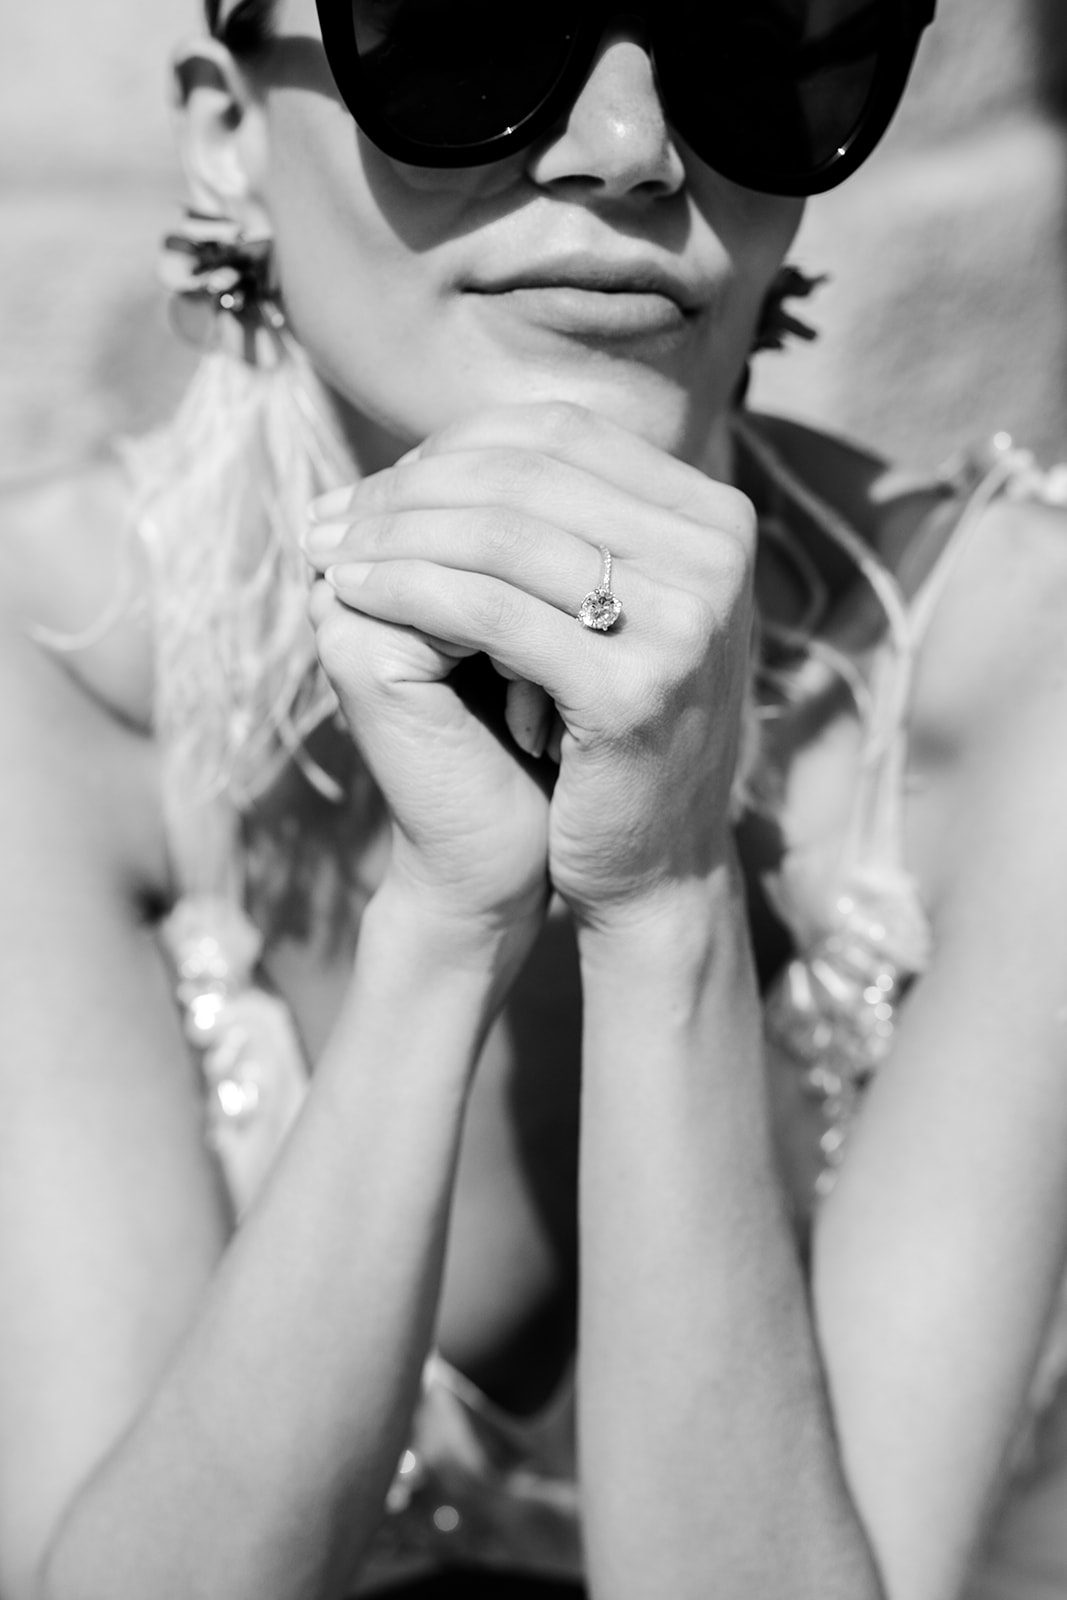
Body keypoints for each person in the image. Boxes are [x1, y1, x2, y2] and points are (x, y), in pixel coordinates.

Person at [3, 2, 1067, 1597]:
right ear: (229, 135)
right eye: (459, 32)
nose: (632, 152)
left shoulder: (1014, 674)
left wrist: (667, 905)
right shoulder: (54, 664)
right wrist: (441, 931)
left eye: (763, 40)